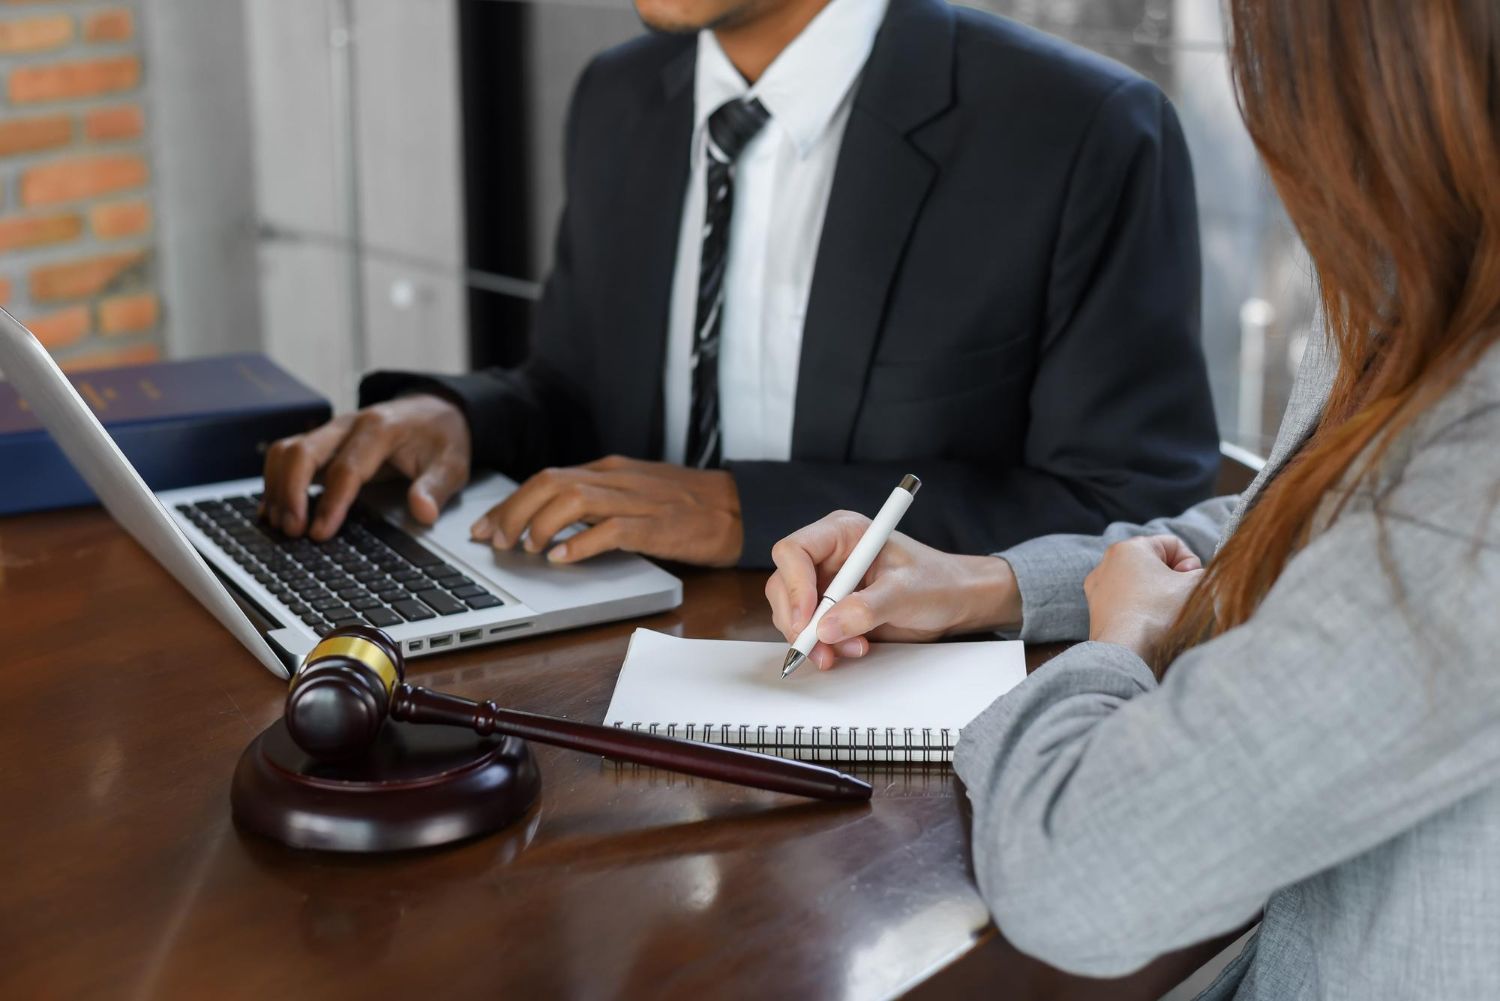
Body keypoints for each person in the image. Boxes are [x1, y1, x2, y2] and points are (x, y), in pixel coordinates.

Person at [765, 0, 1500, 995]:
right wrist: (988, 584)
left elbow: (1077, 873)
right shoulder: (1427, 295)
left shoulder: (1473, 484)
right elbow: (1312, 520)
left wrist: (1118, 649)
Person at [259, 0, 1218, 569]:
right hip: (614, 684)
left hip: (902, 748)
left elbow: (1132, 515)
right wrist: (459, 418)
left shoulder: (1076, 130)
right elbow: (582, 400)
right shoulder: (619, 98)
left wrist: (737, 511)